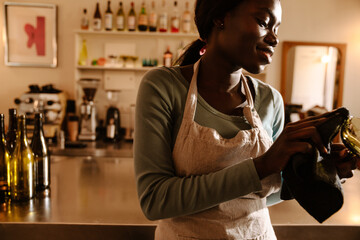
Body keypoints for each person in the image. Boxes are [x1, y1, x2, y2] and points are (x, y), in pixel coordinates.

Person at [134, 0, 358, 239]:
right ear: (220, 18)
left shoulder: (269, 99)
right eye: (264, 23)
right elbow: (155, 200)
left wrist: (321, 171)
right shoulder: (163, 87)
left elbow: (264, 192)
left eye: (277, 29)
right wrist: (262, 165)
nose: (274, 38)